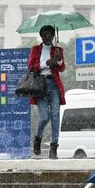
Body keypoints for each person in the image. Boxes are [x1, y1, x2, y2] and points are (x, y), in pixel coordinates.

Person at [27, 24, 66, 158]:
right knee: (44, 116)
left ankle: (53, 148)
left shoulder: (58, 49)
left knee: (55, 115)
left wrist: (59, 60)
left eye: (50, 34)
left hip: (54, 84)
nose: (47, 37)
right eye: (44, 35)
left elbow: (62, 69)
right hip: (40, 85)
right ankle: (37, 138)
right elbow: (31, 68)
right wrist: (46, 63)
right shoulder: (36, 50)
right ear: (41, 36)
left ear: (53, 36)